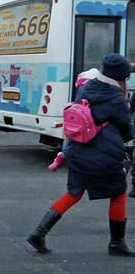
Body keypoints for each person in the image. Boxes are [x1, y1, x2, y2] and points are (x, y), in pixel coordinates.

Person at [28, 54, 135, 257]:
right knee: (119, 193)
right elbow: (127, 130)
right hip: (104, 155)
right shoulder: (115, 97)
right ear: (121, 77)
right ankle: (117, 243)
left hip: (78, 150)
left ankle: (38, 233)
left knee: (74, 193)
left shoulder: (87, 87)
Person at [47, 68, 100, 171]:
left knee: (72, 133)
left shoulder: (82, 78)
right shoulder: (97, 82)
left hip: (78, 111)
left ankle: (62, 155)